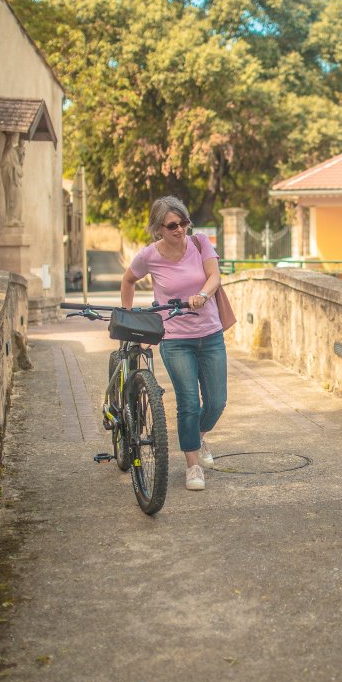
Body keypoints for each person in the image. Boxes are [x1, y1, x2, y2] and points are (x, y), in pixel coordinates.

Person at [121, 196, 228, 492]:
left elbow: (214, 276)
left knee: (217, 401)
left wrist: (203, 296)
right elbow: (128, 280)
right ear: (158, 228)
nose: (180, 229)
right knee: (189, 404)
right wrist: (129, 317)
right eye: (172, 225)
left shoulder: (200, 242)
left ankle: (198, 435)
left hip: (210, 333)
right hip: (176, 339)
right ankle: (192, 465)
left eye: (184, 222)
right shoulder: (149, 256)